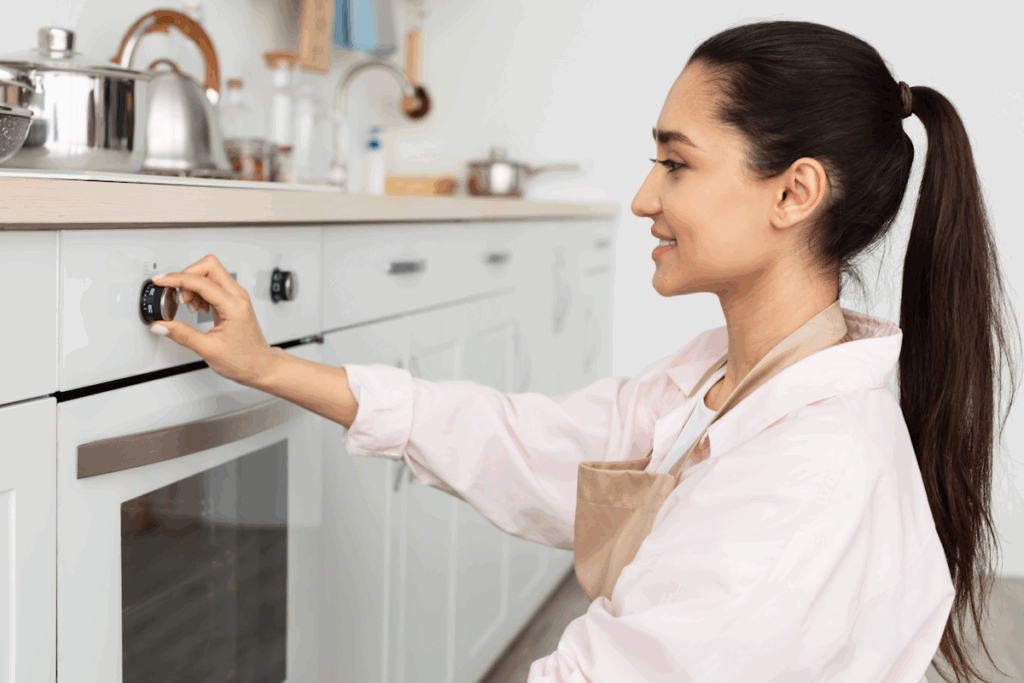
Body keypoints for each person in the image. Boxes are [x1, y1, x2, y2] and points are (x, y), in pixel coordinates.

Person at [146, 19, 1020, 683]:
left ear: (794, 192)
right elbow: (536, 443)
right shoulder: (723, 376)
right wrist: (270, 366)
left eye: (675, 164)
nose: (644, 196)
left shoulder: (808, 473)